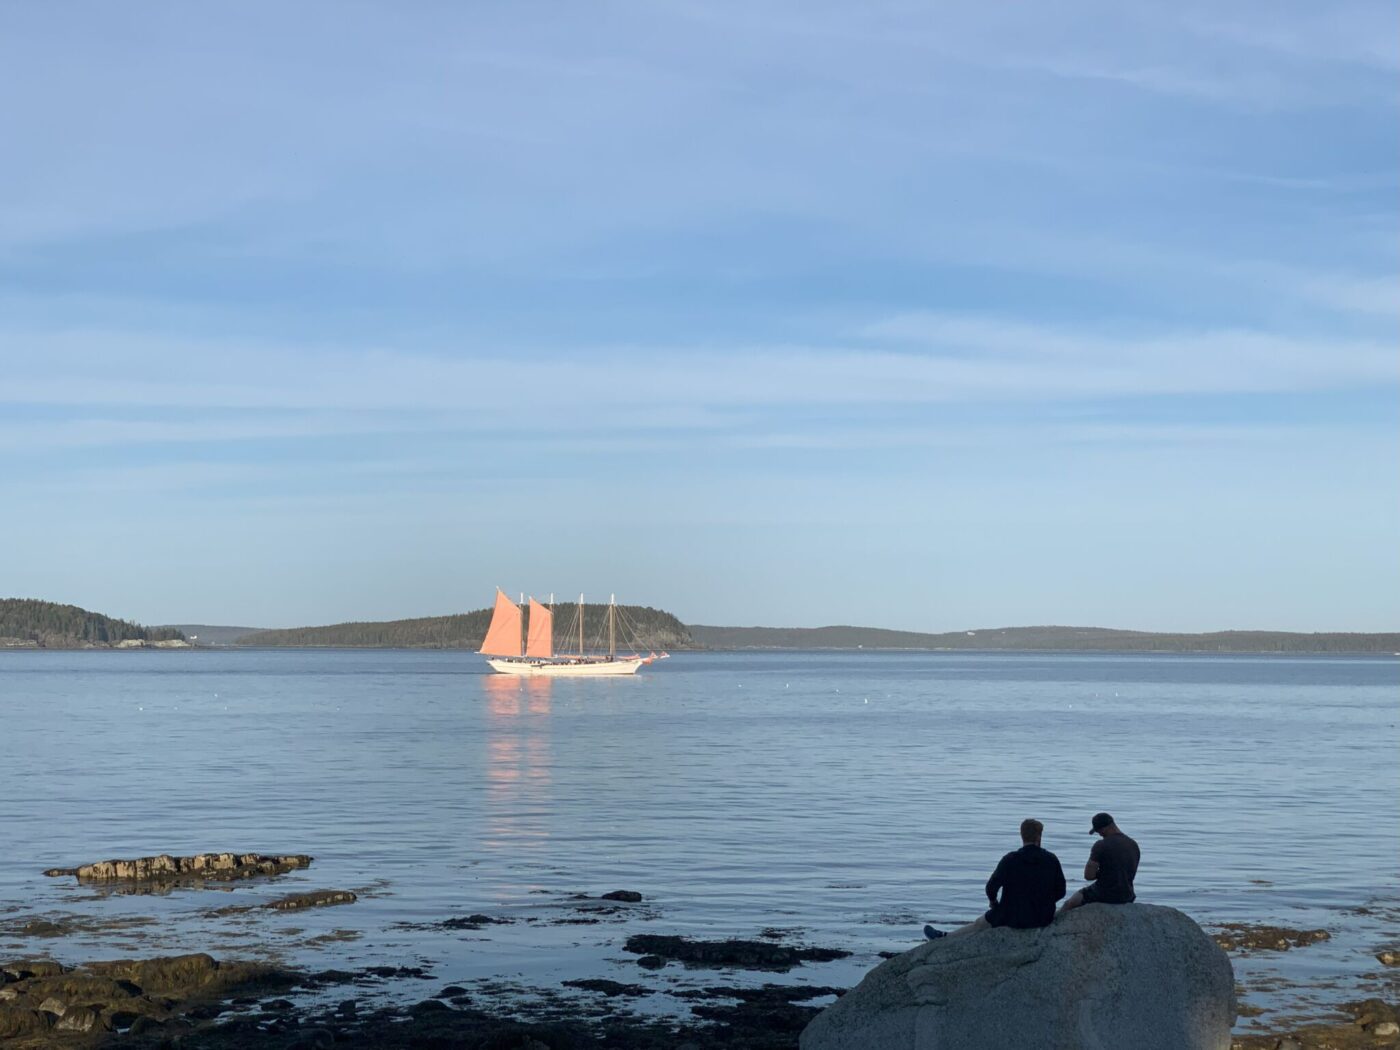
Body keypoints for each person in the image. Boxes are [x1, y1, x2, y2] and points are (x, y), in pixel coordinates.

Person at [924, 818, 1066, 940]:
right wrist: (1043, 901)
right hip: (1043, 917)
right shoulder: (1051, 859)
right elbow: (1061, 891)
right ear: (1039, 837)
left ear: (1022, 836)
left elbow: (991, 887)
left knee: (980, 923)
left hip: (1013, 917)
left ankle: (944, 937)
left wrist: (994, 902)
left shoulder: (1010, 860)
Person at [1057, 811, 1140, 916]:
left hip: (1105, 893)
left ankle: (1051, 927)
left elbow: (1088, 876)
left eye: (1099, 831)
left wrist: (1102, 873)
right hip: (1127, 895)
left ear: (1105, 828)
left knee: (1070, 903)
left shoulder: (1101, 845)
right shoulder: (1133, 844)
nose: (1099, 834)